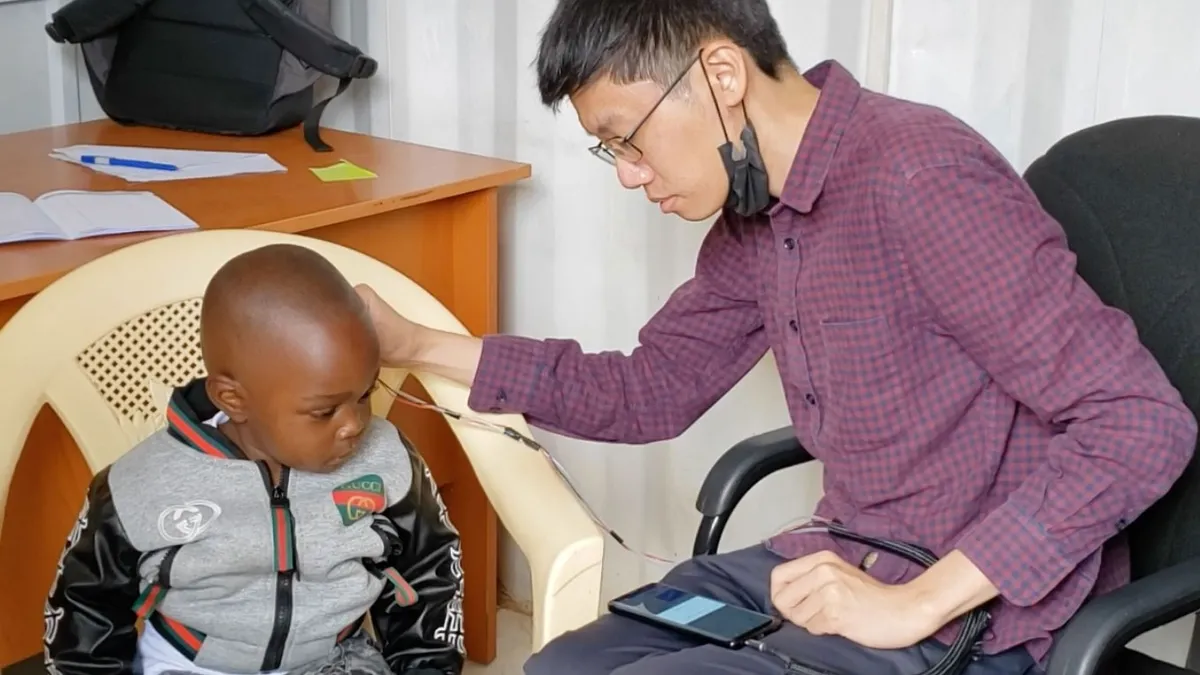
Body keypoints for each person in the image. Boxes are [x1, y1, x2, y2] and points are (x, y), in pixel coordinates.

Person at [356, 0, 1199, 673]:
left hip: (972, 606)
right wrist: (415, 342)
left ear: (720, 72)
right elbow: (646, 388)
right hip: (839, 559)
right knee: (568, 664)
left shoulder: (919, 177)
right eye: (606, 150)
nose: (626, 173)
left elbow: (1140, 422)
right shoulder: (757, 221)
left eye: (628, 138)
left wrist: (918, 601)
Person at [43, 244, 465, 675]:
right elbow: (85, 612)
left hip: (333, 661)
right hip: (190, 665)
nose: (354, 424)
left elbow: (428, 573)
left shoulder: (387, 461)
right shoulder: (139, 485)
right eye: (324, 411)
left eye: (364, 395)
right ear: (234, 399)